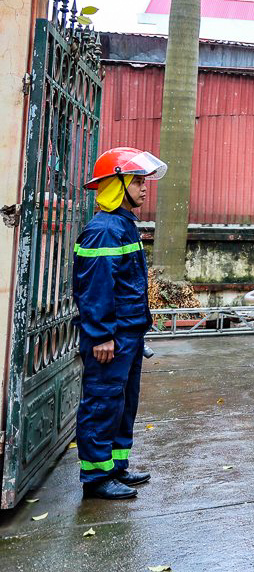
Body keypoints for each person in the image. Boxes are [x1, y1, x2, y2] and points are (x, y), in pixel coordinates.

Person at [74, 147, 167, 500]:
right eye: (138, 182)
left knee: (122, 402)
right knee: (102, 401)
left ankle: (116, 466)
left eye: (145, 181)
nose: (145, 188)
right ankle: (96, 479)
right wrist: (101, 336)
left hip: (127, 334)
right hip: (110, 338)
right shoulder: (104, 231)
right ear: (117, 184)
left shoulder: (122, 225)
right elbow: (96, 289)